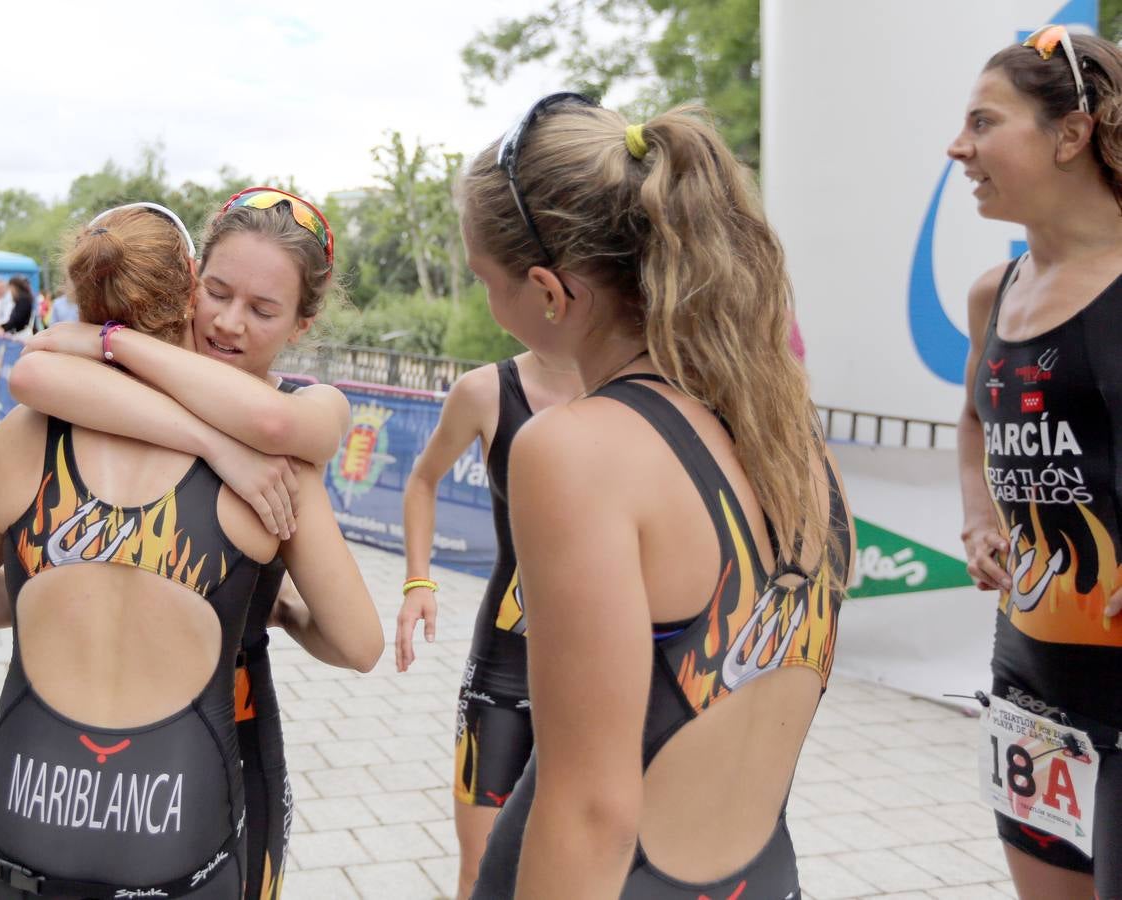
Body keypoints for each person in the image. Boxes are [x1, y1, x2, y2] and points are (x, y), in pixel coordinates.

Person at [455, 96, 853, 899]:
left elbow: (591, 811)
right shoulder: (796, 445)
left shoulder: (576, 450)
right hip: (762, 874)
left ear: (546, 291)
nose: (487, 303)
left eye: (482, 281)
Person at [0, 204, 376, 900]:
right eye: (217, 294)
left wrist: (59, 588)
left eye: (260, 308)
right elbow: (357, 643)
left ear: (300, 321)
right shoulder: (278, 469)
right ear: (189, 279)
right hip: (192, 797)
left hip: (22, 798)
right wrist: (263, 604)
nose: (227, 322)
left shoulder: (38, 423)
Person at [951, 26, 1122, 898]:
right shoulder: (995, 291)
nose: (958, 147)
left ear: (1068, 134)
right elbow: (975, 425)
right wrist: (981, 517)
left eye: (982, 123)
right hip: (1030, 691)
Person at [395, 347, 582, 897]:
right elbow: (423, 479)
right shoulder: (484, 391)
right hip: (503, 667)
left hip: (600, 675)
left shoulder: (642, 388)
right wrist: (417, 582)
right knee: (483, 870)